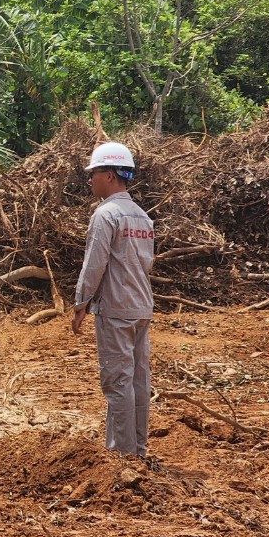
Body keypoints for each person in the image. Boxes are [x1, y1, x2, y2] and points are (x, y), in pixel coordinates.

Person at [71, 141, 155, 458]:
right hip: (141, 308)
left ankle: (124, 457)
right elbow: (145, 264)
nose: (90, 180)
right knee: (136, 382)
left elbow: (94, 265)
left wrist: (81, 304)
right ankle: (137, 451)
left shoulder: (106, 215)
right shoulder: (142, 218)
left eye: (93, 173)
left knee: (117, 383)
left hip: (116, 310)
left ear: (109, 175)